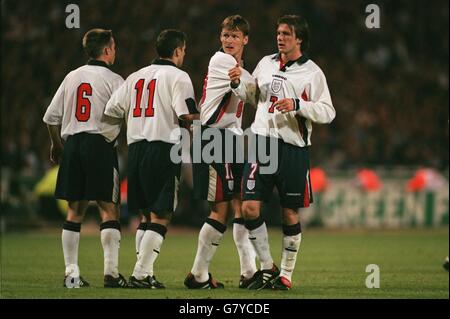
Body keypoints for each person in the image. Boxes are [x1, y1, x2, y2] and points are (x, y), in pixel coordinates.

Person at [229, 15, 335, 290]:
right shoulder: (265, 63)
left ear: (299, 38)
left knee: (289, 214)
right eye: (278, 32)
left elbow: (328, 111)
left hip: (293, 149)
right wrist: (239, 84)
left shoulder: (312, 72)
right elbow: (254, 98)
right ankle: (267, 267)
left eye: (286, 33)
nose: (280, 37)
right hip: (262, 143)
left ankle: (285, 274)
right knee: (249, 208)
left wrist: (299, 104)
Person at [105, 29, 199, 289]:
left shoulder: (135, 76)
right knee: (162, 214)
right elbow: (187, 115)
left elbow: (111, 108)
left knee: (146, 215)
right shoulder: (179, 76)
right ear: (178, 51)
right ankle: (140, 273)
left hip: (135, 148)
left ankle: (145, 274)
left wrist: (136, 122)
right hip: (164, 147)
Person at [43, 28, 128, 288]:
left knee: (75, 210)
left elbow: (50, 118)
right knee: (108, 208)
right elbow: (127, 114)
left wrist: (57, 145)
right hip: (99, 145)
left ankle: (71, 275)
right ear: (106, 50)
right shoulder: (115, 80)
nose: (114, 51)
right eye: (113, 47)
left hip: (73, 144)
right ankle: (112, 274)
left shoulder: (72, 76)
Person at [184, 15, 257, 289]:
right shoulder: (222, 61)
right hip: (213, 138)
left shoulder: (241, 67)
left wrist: (250, 84)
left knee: (241, 203)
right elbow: (247, 95)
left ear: (245, 40)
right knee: (221, 208)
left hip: (231, 138)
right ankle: (198, 274)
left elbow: (248, 94)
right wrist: (251, 85)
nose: (229, 40)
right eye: (226, 35)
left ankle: (249, 272)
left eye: (235, 36)